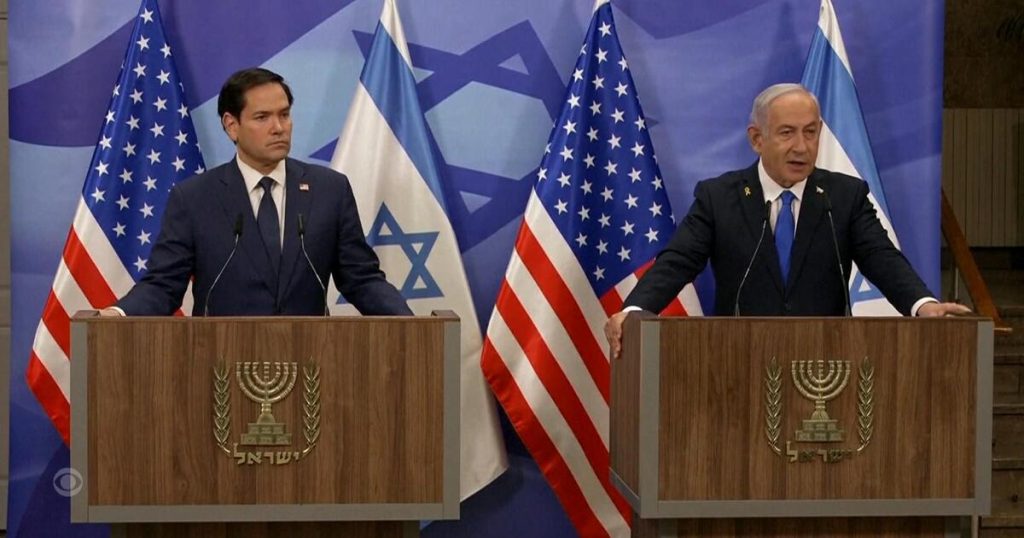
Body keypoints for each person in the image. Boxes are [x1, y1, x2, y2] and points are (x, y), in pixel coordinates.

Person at [604, 83, 968, 358]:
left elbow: (882, 258)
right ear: (757, 139)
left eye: (810, 132)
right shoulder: (719, 198)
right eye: (787, 133)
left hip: (824, 367)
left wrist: (923, 304)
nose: (801, 147)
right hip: (736, 361)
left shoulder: (844, 197)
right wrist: (635, 311)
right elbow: (678, 261)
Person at [102, 67, 411, 316]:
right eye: (262, 117)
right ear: (231, 125)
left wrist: (411, 322)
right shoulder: (195, 198)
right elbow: (163, 285)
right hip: (220, 363)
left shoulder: (329, 190)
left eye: (284, 114)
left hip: (310, 360)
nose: (279, 127)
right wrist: (118, 314)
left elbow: (361, 279)